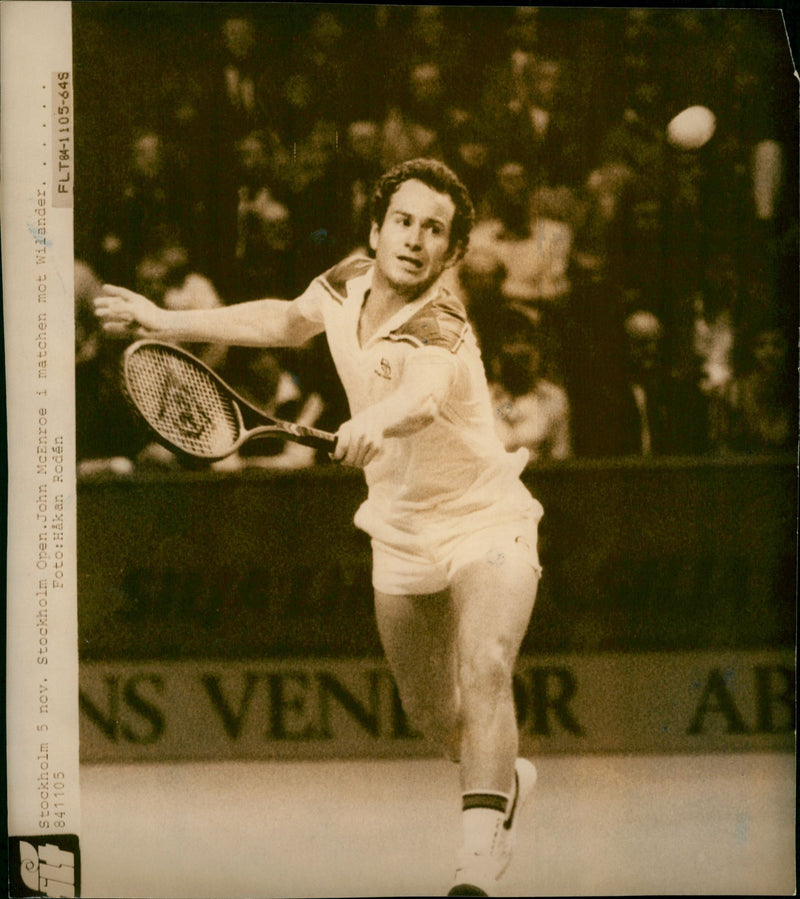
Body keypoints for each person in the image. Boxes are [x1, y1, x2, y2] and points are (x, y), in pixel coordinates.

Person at [95, 158, 542, 897]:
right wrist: (164, 319)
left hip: (484, 518)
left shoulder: (442, 323)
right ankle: (506, 783)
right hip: (399, 527)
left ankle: (475, 859)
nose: (415, 239)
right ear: (376, 229)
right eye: (403, 221)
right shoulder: (346, 281)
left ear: (453, 251)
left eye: (434, 230)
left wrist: (375, 420)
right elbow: (283, 319)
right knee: (435, 716)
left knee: (487, 664)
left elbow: (422, 400)